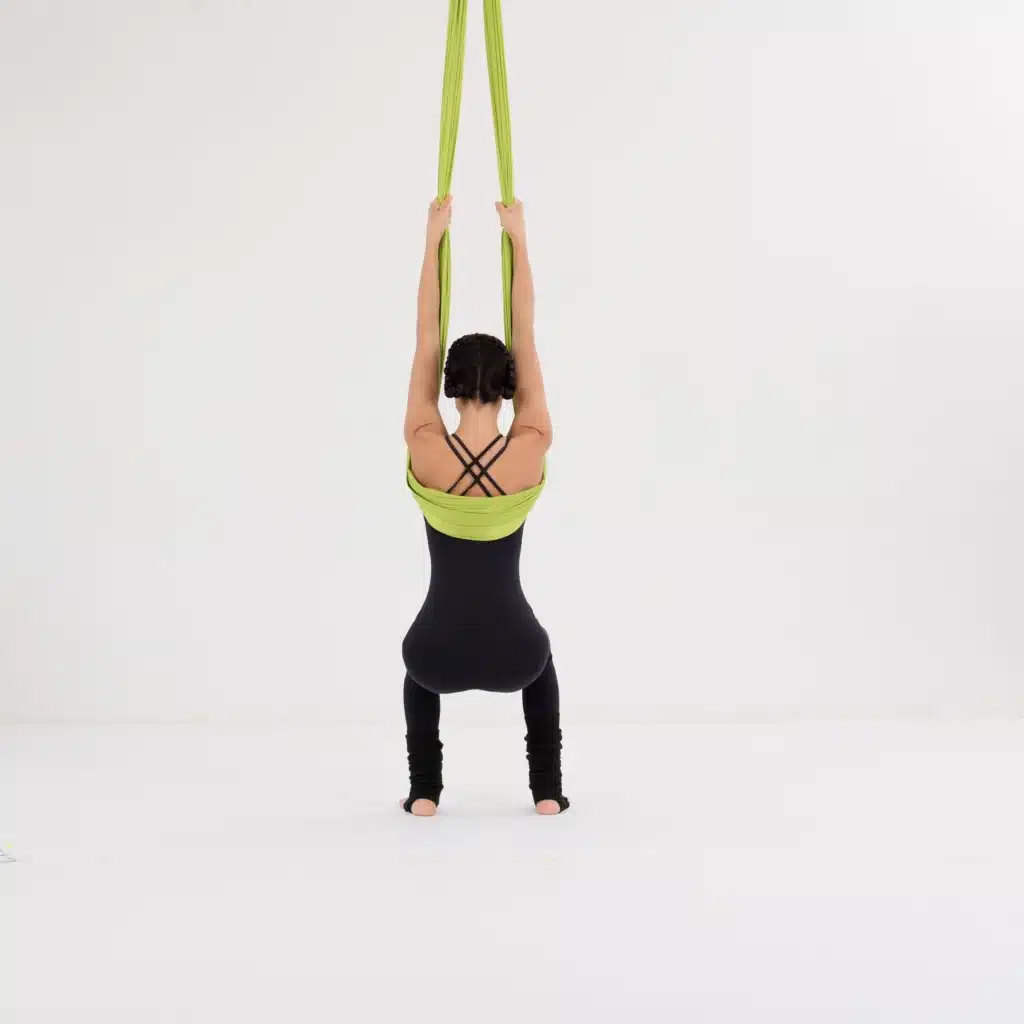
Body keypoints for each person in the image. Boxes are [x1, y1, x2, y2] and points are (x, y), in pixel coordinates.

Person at [401, 195, 569, 817]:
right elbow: (525, 334)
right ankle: (547, 791)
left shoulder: (424, 447)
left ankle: (425, 792)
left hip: (434, 654)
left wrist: (432, 242)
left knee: (418, 676)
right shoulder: (531, 446)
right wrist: (519, 241)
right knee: (543, 662)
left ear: (448, 387)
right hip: (515, 655)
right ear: (509, 387)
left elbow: (425, 339)